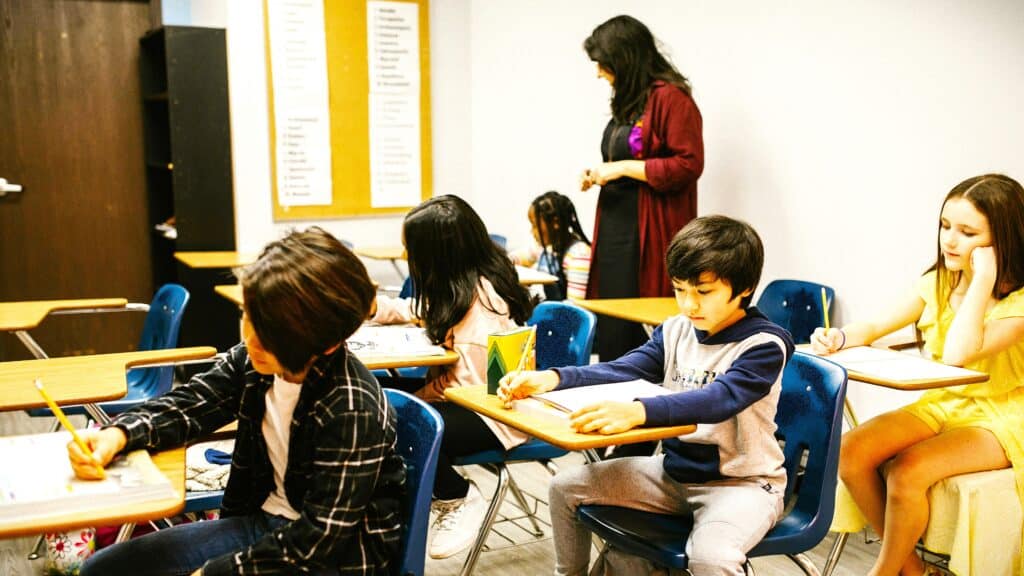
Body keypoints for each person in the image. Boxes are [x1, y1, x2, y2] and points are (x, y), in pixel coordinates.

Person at [70, 228, 405, 576]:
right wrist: (119, 435)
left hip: (335, 559)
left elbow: (315, 544)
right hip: (264, 523)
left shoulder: (351, 409)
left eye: (271, 331)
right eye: (248, 316)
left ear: (327, 343)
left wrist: (213, 572)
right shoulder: (256, 361)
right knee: (104, 569)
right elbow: (193, 402)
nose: (251, 340)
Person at [500, 215, 794, 576]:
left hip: (742, 485)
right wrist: (552, 378)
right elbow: (625, 368)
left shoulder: (765, 344)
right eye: (679, 289)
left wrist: (638, 411)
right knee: (565, 488)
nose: (689, 305)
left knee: (711, 556)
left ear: (745, 287)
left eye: (704, 292)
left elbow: (721, 398)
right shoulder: (675, 330)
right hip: (672, 475)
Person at [811, 174, 1024, 576]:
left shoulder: (1017, 302)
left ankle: (884, 572)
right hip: (946, 402)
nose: (950, 240)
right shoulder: (938, 281)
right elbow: (874, 326)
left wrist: (982, 280)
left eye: (967, 232)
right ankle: (912, 569)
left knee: (909, 468)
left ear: (1002, 240)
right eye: (945, 226)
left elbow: (961, 352)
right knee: (852, 451)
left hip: (1003, 414)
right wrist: (837, 335)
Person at [371, 195, 535, 559]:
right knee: (372, 393)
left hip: (494, 412)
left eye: (410, 250)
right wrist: (376, 307)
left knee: (395, 420)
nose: (405, 257)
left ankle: (456, 495)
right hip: (466, 393)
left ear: (437, 255)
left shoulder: (485, 308)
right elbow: (423, 309)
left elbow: (469, 388)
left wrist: (419, 397)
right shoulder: (460, 286)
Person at [580, 14, 704, 362]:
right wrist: (600, 171)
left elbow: (688, 164)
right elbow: (626, 156)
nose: (599, 73)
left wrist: (622, 167)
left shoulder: (673, 99)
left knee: (643, 323)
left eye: (603, 64)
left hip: (650, 227)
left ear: (625, 59)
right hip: (617, 226)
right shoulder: (631, 101)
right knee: (614, 318)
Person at [509, 190, 592, 301]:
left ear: (555, 223)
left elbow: (574, 308)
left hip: (566, 315)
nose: (532, 231)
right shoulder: (547, 248)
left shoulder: (579, 255)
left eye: (535, 225)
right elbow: (517, 258)